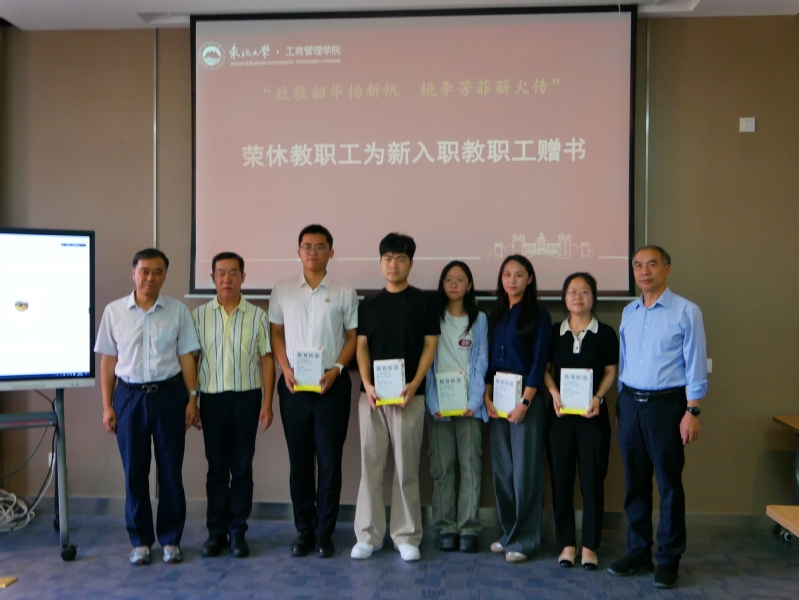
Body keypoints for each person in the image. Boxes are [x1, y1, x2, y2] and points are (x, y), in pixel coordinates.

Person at [607, 245, 707, 589]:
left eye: (652, 264)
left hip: (667, 406)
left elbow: (695, 363)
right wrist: (621, 406)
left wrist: (692, 410)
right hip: (630, 404)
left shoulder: (686, 311)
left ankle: (668, 558)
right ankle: (638, 552)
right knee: (634, 484)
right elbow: (624, 360)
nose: (644, 271)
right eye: (638, 265)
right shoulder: (629, 312)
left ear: (667, 268)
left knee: (668, 485)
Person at [95, 248, 200, 565]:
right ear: (134, 273)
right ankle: (140, 541)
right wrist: (107, 406)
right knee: (134, 472)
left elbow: (186, 357)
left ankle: (171, 540)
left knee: (170, 471)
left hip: (169, 395)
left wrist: (192, 398)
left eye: (157, 272)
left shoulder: (178, 311)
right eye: (144, 271)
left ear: (165, 276)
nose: (150, 277)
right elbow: (108, 361)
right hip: (129, 397)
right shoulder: (114, 312)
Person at [269, 225, 358, 559]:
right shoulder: (282, 290)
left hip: (331, 386)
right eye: (307, 246)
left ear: (331, 253)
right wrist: (285, 368)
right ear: (299, 252)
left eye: (320, 247)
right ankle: (304, 529)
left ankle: (325, 533)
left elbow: (353, 337)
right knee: (300, 461)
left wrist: (337, 369)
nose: (313, 252)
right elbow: (276, 333)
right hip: (293, 387)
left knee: (330, 462)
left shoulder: (345, 292)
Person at [351, 233, 439, 562]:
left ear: (410, 264)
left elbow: (430, 345)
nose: (393, 264)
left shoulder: (424, 301)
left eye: (400, 259)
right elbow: (361, 346)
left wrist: (415, 383)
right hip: (372, 397)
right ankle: (368, 536)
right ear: (380, 262)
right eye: (388, 258)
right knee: (370, 466)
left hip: (408, 396)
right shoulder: (368, 304)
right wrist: (367, 383)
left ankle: (406, 535)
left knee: (407, 468)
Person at [193, 251, 275, 559]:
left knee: (241, 468)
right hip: (211, 400)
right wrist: (192, 400)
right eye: (220, 273)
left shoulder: (257, 316)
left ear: (243, 277)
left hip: (246, 398)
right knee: (216, 469)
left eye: (232, 273)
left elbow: (267, 360)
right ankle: (216, 533)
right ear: (212, 278)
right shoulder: (199, 316)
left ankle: (238, 532)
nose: (226, 279)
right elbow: (192, 360)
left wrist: (267, 402)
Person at [544, 272, 618, 571]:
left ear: (593, 297)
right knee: (561, 481)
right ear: (564, 298)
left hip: (593, 418)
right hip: (560, 418)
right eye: (572, 291)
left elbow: (611, 372)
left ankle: (589, 546)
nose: (578, 297)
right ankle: (566, 544)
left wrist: (598, 397)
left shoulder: (606, 333)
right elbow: (545, 369)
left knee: (592, 482)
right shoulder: (554, 332)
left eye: (584, 291)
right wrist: (554, 393)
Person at [484, 254, 551, 564]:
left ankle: (526, 539)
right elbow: (488, 360)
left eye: (519, 274)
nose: (512, 280)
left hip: (526, 396)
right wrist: (487, 396)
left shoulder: (539, 315)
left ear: (530, 278)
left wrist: (525, 402)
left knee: (525, 471)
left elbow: (539, 363)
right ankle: (509, 532)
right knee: (503, 470)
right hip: (497, 394)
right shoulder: (496, 314)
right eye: (507, 274)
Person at [424, 261, 488, 553]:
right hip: (439, 404)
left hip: (469, 406)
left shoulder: (480, 319)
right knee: (442, 467)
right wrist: (432, 402)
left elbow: (481, 362)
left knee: (471, 466)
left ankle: (469, 527)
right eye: (448, 279)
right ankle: (446, 526)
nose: (453, 284)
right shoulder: (433, 317)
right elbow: (426, 363)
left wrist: (475, 401)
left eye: (460, 280)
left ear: (469, 285)